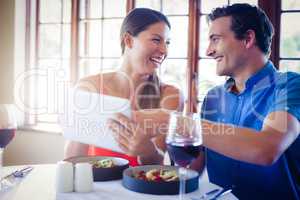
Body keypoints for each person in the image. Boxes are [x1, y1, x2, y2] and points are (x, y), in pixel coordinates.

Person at [117, 3, 300, 200]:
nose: (208, 50)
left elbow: (267, 148)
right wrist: (149, 147)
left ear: (248, 38)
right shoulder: (213, 97)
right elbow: (189, 170)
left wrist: (178, 123)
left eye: (215, 40)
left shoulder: (289, 85)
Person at [64, 8, 183, 166]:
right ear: (128, 40)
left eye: (167, 43)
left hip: (141, 187)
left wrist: (148, 150)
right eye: (156, 40)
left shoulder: (170, 95)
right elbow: (73, 158)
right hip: (97, 184)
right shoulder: (89, 87)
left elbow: (156, 166)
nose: (164, 50)